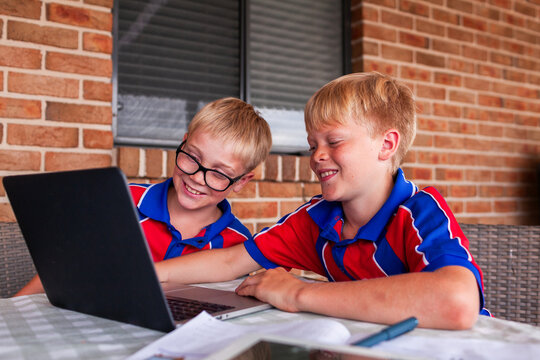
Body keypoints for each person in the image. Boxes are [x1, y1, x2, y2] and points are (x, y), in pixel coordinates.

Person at [155, 72, 489, 330]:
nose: (318, 157)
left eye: (334, 141)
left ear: (386, 145)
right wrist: (151, 274)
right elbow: (230, 262)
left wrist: (299, 293)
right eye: (313, 145)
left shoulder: (418, 211)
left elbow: (458, 301)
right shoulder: (317, 219)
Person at [14, 97, 273, 296]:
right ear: (182, 143)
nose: (196, 177)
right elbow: (64, 271)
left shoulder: (238, 243)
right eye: (193, 157)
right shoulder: (121, 201)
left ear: (241, 181)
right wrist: (12, 310)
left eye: (219, 173)